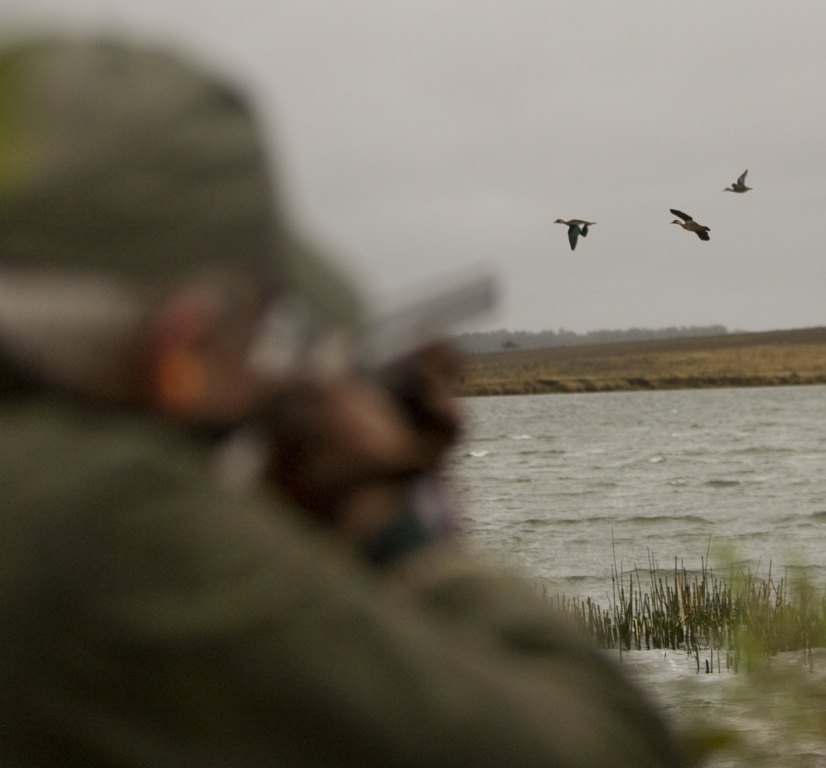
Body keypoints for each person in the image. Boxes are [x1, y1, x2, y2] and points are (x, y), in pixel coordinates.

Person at [0, 37, 682, 767]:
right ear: (183, 352)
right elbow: (609, 751)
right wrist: (397, 523)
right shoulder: (111, 515)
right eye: (251, 338)